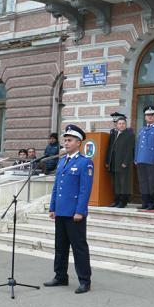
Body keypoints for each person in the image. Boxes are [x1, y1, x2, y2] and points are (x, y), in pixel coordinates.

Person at [44, 124, 94, 294]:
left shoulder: (85, 162)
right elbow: (57, 186)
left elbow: (84, 190)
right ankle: (60, 276)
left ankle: (85, 280)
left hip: (74, 213)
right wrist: (52, 207)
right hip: (61, 211)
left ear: (78, 142)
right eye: (65, 140)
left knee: (79, 247)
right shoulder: (62, 161)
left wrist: (80, 211)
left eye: (69, 140)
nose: (66, 143)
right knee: (60, 246)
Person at [135, 105, 154, 210]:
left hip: (152, 160)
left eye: (152, 115)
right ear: (145, 117)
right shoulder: (142, 129)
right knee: (143, 182)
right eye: (148, 115)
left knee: (151, 182)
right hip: (141, 159)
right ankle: (145, 202)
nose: (150, 117)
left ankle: (152, 203)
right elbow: (137, 145)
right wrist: (136, 158)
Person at [105, 113, 134, 208]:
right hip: (113, 163)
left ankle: (123, 202)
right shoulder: (114, 134)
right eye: (120, 124)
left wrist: (125, 162)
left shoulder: (129, 135)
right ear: (116, 125)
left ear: (126, 125)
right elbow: (109, 148)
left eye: (123, 124)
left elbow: (130, 150)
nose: (121, 125)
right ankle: (116, 200)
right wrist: (107, 161)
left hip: (123, 164)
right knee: (116, 183)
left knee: (123, 183)